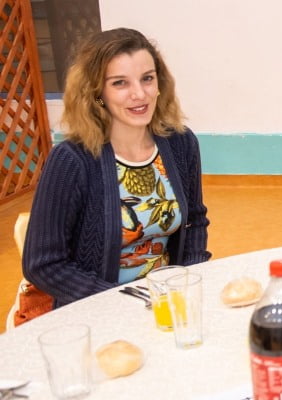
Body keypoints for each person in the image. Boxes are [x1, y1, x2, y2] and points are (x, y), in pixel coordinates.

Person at [22, 28, 211, 308]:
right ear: (97, 93)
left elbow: (194, 220)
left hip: (166, 303)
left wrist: (189, 280)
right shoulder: (72, 160)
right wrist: (122, 302)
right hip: (98, 308)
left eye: (147, 78)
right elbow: (43, 264)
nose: (139, 94)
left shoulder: (180, 143)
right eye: (120, 83)